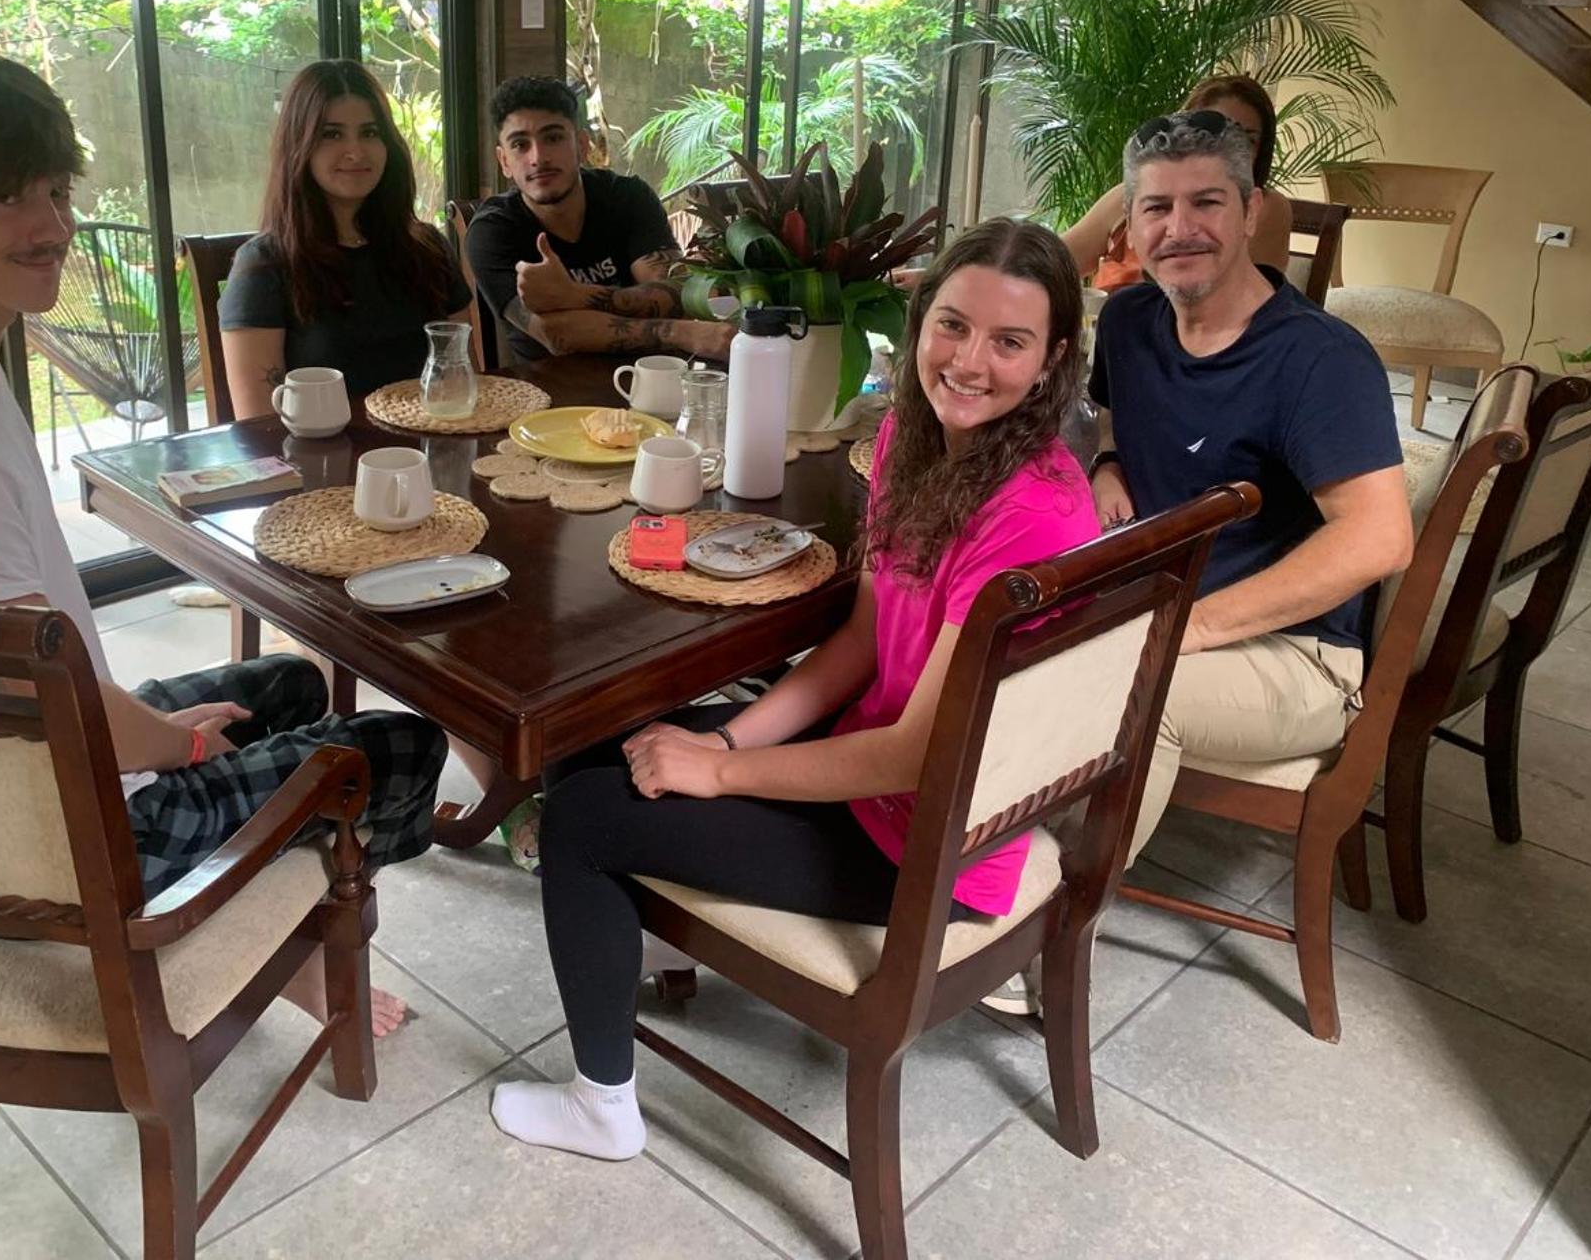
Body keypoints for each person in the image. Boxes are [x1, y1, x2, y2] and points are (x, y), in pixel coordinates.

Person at [0, 49, 449, 1038]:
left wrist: (159, 734)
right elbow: (44, 701)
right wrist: (176, 744)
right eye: (7, 197)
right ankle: (280, 942)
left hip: (35, 768)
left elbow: (30, 675)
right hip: (49, 845)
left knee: (290, 688)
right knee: (403, 745)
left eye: (56, 190)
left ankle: (265, 916)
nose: (53, 225)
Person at [487, 218, 1101, 1161]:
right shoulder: (914, 440)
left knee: (580, 821)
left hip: (930, 847)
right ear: (921, 321)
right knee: (591, 736)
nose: (970, 362)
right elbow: (861, 641)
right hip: (879, 781)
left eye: (1009, 342)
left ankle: (601, 1106)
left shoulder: (1033, 514)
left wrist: (720, 774)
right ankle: (651, 929)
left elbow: (916, 755)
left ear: (1053, 358)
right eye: (952, 325)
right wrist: (727, 744)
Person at [1090, 109, 1411, 865]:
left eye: (1206, 202)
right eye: (1157, 207)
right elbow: (1108, 412)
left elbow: (1380, 537)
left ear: (1250, 212)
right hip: (1157, 604)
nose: (1180, 229)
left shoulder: (1319, 360)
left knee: (1123, 691)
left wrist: (1188, 628)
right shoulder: (1129, 321)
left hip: (1297, 653)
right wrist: (1108, 461)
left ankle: (1049, 916)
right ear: (1131, 226)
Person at [219, 60, 476, 417]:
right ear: (299, 146)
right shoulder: (264, 266)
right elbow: (259, 426)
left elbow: (466, 385)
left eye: (370, 132)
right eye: (332, 134)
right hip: (321, 454)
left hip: (432, 447)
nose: (356, 152)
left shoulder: (429, 249)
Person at [466, 76, 734, 361]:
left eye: (553, 138)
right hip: (551, 383)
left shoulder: (627, 196)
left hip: (651, 370)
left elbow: (674, 295)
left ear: (582, 145)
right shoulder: (492, 230)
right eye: (520, 144)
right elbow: (558, 335)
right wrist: (681, 334)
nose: (538, 157)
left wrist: (573, 296)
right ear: (504, 161)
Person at [1061, 75, 1295, 288]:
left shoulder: (1266, 207)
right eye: (1209, 133)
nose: (1227, 149)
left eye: (1246, 141)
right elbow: (1054, 263)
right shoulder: (1128, 195)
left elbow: (1241, 299)